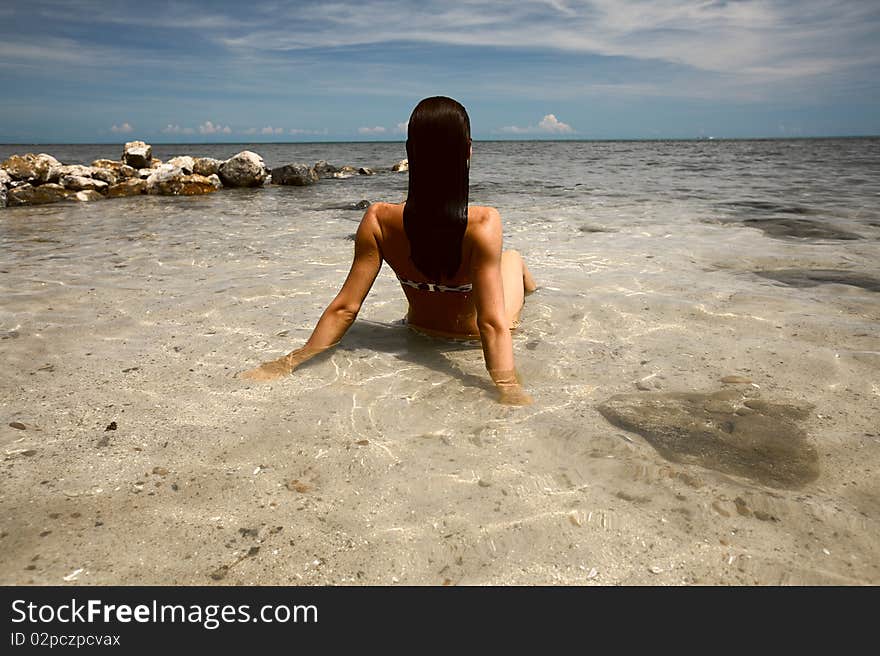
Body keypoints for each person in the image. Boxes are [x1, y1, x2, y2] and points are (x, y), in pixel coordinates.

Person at [240, 96, 537, 405]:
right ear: (468, 150)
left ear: (410, 151)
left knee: (503, 261)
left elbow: (345, 308)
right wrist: (508, 388)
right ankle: (533, 287)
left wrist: (290, 362)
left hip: (418, 328)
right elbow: (491, 323)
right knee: (511, 259)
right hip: (470, 338)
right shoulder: (485, 223)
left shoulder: (378, 219)